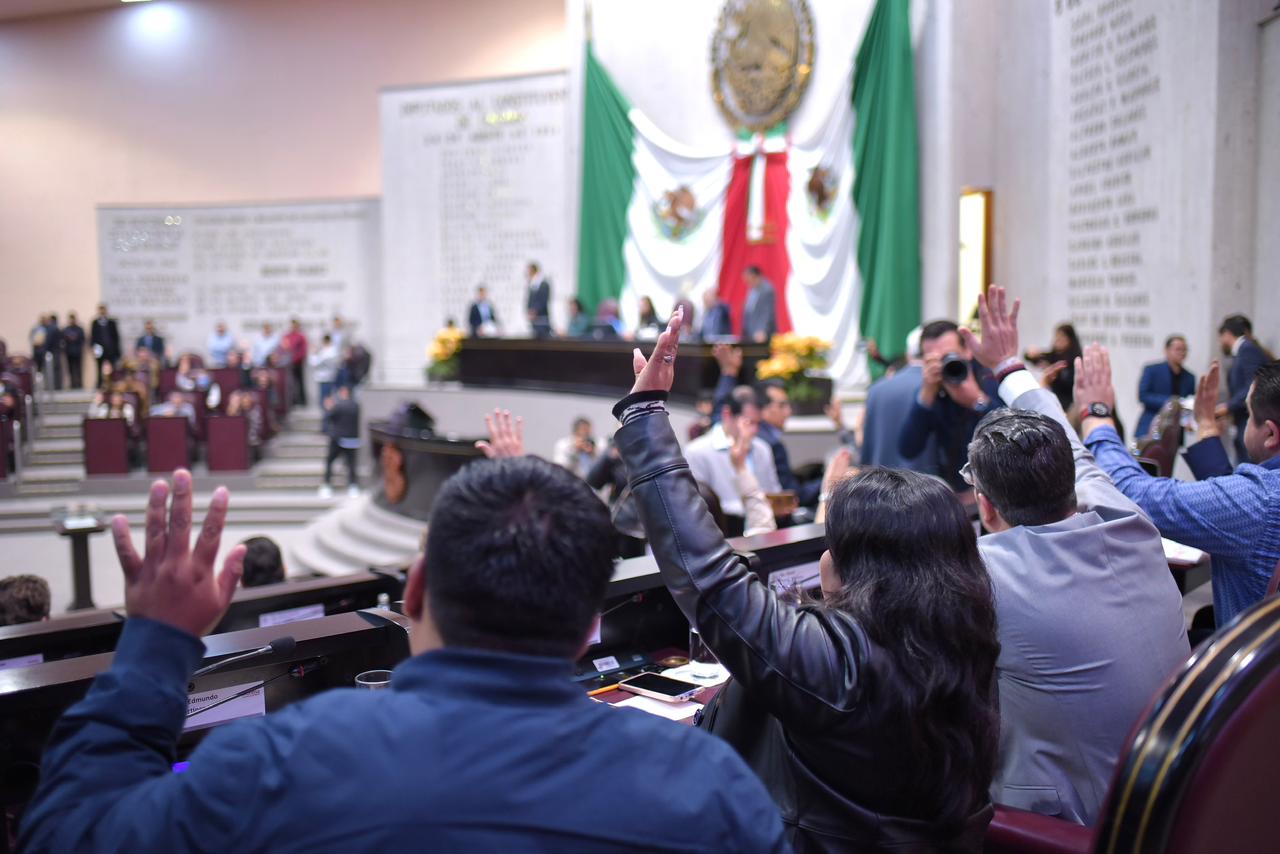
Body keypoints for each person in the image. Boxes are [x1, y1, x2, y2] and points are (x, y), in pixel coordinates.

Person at [19, 464, 787, 853]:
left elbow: (70, 835)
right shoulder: (712, 789)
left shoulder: (275, 766)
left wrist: (157, 640)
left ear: (413, 590)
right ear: (592, 625)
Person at [613, 309, 1001, 849]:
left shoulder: (842, 664)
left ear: (853, 565)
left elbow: (709, 576)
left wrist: (645, 415)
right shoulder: (965, 635)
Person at [960, 286, 1189, 825]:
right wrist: (1010, 367)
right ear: (1072, 485)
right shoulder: (1129, 523)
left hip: (1079, 827)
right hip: (1176, 796)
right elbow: (1077, 450)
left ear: (985, 508)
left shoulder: (986, 575)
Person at [1082, 351, 1280, 628]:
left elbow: (1134, 493)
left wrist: (1096, 415)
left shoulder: (1262, 501)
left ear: (1270, 434)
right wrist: (1207, 427)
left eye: (1248, 414)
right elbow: (1232, 505)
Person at [899, 320, 999, 491]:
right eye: (934, 360)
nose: (944, 365)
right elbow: (908, 449)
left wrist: (978, 401)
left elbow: (1012, 436)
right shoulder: (933, 390)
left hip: (995, 488)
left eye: (949, 356)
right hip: (955, 490)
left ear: (967, 350)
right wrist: (925, 397)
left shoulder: (991, 380)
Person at [685, 384, 781, 522]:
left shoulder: (762, 448)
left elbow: (774, 491)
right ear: (727, 414)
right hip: (723, 527)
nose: (754, 430)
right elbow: (699, 505)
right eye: (748, 422)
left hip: (764, 523)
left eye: (758, 423)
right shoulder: (696, 451)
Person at [860, 327, 940, 473]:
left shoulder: (876, 390)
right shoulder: (942, 386)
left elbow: (867, 450)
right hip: (931, 482)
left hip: (881, 482)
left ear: (908, 353)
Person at [755, 379, 821, 506]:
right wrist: (831, 479)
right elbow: (794, 496)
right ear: (761, 409)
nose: (789, 411)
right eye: (781, 405)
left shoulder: (759, 437)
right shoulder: (772, 444)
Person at [1219, 314, 1270, 462]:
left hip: (1251, 420)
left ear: (1227, 334)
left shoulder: (1247, 349)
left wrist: (1228, 407)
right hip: (1243, 419)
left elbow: (1254, 385)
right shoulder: (1243, 351)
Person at [1136, 334, 1196, 438]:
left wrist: (1189, 421)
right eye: (1178, 349)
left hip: (1175, 432)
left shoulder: (1190, 377)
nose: (1182, 353)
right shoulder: (1152, 370)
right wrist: (1173, 402)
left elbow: (1189, 403)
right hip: (1151, 426)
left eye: (1184, 350)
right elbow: (1143, 395)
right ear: (1167, 350)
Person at [1023, 322, 1081, 411]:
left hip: (1068, 404)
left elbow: (1070, 383)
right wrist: (1030, 353)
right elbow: (1033, 358)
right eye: (1057, 336)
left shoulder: (1076, 359)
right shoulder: (1052, 356)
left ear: (1070, 339)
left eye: (1062, 336)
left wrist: (1055, 373)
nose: (1058, 339)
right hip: (1052, 400)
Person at [320, 384, 360, 498]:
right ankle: (352, 485)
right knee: (351, 464)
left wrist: (328, 408)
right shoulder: (356, 406)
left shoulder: (338, 406)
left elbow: (328, 418)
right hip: (352, 440)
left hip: (338, 439)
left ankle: (327, 485)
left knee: (330, 461)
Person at [740, 266, 776, 343]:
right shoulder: (752, 289)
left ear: (755, 276)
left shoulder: (767, 289)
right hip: (751, 333)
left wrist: (763, 330)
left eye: (748, 279)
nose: (747, 282)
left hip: (762, 334)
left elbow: (767, 312)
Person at [90, 303, 121, 387]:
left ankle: (112, 383)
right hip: (99, 349)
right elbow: (93, 337)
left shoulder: (111, 322)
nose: (102, 311)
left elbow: (116, 337)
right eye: (101, 310)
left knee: (112, 367)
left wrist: (117, 350)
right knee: (99, 367)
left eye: (103, 309)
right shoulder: (95, 323)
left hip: (110, 349)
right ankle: (99, 384)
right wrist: (93, 348)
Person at [281, 318, 308, 407]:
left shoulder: (301, 336)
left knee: (300, 381)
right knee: (290, 382)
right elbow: (284, 347)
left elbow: (303, 350)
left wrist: (297, 358)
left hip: (298, 362)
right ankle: (292, 400)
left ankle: (302, 400)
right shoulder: (287, 335)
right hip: (289, 363)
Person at [309, 334, 339, 405]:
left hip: (326, 378)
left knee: (325, 398)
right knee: (325, 397)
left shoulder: (331, 351)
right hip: (323, 377)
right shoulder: (324, 350)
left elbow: (315, 363)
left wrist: (313, 354)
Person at [525, 261, 551, 338]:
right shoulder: (532, 284)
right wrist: (529, 311)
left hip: (541, 319)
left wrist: (535, 311)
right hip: (534, 320)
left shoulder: (544, 284)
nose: (528, 273)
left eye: (529, 271)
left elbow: (544, 300)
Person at [62, 311, 85, 390]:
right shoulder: (66, 329)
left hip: (78, 352)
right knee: (70, 369)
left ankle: (79, 384)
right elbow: (63, 341)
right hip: (69, 352)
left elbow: (82, 340)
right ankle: (72, 384)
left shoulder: (79, 329)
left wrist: (79, 347)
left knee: (78, 369)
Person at [42, 313, 63, 390]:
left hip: (52, 352)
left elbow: (48, 341)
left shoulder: (51, 328)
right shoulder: (57, 328)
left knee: (52, 370)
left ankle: (53, 386)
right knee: (57, 370)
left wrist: (44, 350)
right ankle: (58, 386)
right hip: (57, 351)